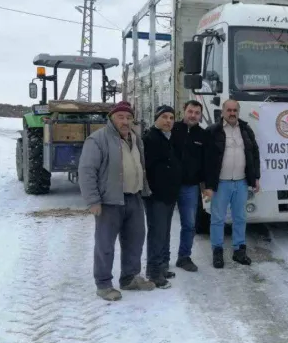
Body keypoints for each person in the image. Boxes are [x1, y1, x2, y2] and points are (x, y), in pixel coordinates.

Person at [78, 101, 155, 301]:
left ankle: (129, 278)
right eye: (121, 117)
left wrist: (144, 189)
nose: (125, 121)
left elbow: (141, 165)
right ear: (112, 118)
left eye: (129, 117)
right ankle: (103, 284)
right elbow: (87, 171)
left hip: (134, 197)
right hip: (109, 201)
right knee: (105, 244)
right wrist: (93, 200)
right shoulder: (98, 139)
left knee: (135, 241)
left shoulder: (136, 139)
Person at [203, 99, 260, 269]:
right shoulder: (213, 131)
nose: (232, 113)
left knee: (240, 217)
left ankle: (239, 250)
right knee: (217, 219)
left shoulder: (246, 129)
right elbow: (205, 159)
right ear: (223, 111)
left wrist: (255, 177)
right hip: (220, 183)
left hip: (241, 182)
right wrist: (207, 185)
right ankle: (217, 251)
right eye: (229, 110)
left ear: (238, 111)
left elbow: (254, 154)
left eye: (235, 110)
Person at [142, 105, 182, 289]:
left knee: (165, 232)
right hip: (156, 195)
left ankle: (163, 266)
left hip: (168, 194)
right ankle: (153, 271)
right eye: (164, 117)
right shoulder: (150, 138)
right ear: (156, 119)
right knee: (157, 233)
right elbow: (148, 168)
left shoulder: (170, 138)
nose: (168, 121)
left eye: (171, 118)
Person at [171, 100, 207, 272]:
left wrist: (206, 184)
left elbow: (208, 162)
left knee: (189, 225)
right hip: (168, 186)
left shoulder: (203, 135)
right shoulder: (172, 129)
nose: (193, 115)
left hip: (190, 187)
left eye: (197, 113)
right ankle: (160, 260)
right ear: (183, 111)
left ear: (200, 116)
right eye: (190, 111)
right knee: (162, 226)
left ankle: (184, 257)